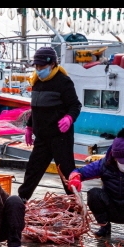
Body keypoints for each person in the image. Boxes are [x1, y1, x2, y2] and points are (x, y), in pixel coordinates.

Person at [16, 46, 82, 202]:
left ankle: (75, 203)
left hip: (60, 137)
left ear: (52, 64)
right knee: (33, 170)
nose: (39, 69)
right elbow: (36, 107)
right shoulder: (37, 82)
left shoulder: (63, 81)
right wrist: (30, 126)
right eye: (37, 66)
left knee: (66, 173)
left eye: (42, 66)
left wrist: (69, 118)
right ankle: (20, 201)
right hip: (42, 137)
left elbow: (75, 105)